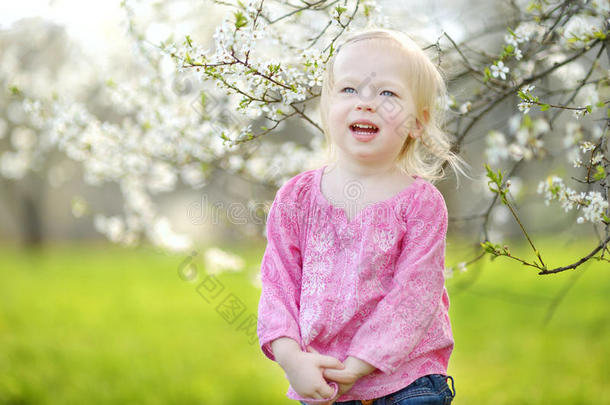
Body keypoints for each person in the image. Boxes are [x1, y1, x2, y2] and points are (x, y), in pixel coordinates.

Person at [256, 27, 469, 405]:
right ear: (327, 107)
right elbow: (278, 285)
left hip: (408, 384)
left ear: (417, 123)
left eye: (387, 94)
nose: (365, 103)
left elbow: (415, 296)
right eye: (349, 89)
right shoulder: (297, 198)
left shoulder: (421, 204)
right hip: (324, 382)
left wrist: (360, 363)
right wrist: (291, 359)